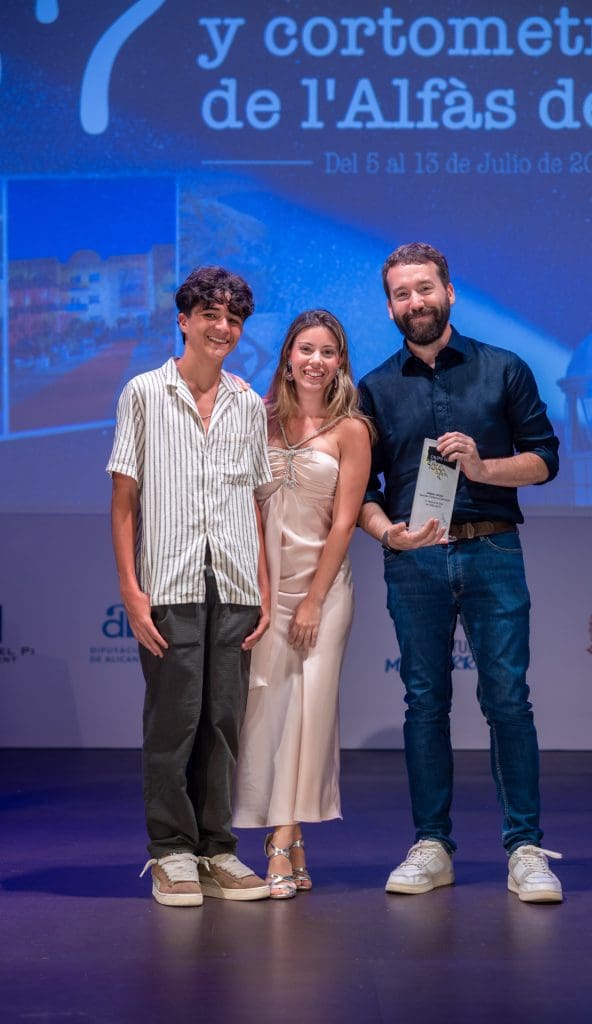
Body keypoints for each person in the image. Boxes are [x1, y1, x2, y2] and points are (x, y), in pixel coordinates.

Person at [357, 242, 563, 903]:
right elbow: (360, 492)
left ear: (449, 292)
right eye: (401, 294)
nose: (414, 302)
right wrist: (387, 531)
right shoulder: (374, 388)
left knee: (507, 701)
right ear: (389, 307)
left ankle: (525, 849)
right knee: (424, 703)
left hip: (490, 549)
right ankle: (431, 846)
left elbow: (544, 460)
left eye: (424, 288)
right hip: (413, 559)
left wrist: (481, 467)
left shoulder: (503, 368)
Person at [107, 265, 273, 907]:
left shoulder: (247, 403)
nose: (222, 327)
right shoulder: (144, 393)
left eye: (233, 318)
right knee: (173, 722)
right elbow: (124, 500)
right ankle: (171, 851)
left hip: (235, 583)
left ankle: (217, 849)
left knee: (223, 722)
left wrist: (262, 584)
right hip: (168, 582)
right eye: (210, 315)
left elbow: (254, 501)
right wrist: (131, 588)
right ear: (184, 320)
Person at [233, 309, 372, 898]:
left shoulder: (352, 430)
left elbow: (344, 523)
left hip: (324, 590)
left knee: (308, 713)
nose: (316, 361)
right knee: (267, 711)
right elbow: (246, 509)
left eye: (328, 352)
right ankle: (287, 840)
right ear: (288, 358)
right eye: (306, 349)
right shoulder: (258, 421)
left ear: (340, 363)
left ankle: (282, 838)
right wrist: (265, 592)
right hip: (267, 588)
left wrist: (313, 601)